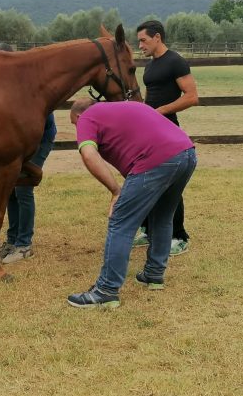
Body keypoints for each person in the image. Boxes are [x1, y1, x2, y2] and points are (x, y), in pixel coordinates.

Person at [66, 98, 197, 308]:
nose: (78, 129)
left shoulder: (87, 117)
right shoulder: (128, 106)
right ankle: (154, 275)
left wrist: (115, 191)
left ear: (79, 116)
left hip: (155, 160)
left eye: (75, 124)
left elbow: (89, 154)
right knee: (162, 217)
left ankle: (106, 291)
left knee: (121, 222)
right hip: (186, 153)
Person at [133, 20, 199, 256]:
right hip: (149, 130)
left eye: (143, 40)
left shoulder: (175, 61)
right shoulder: (151, 66)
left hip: (168, 129)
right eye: (139, 41)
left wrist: (161, 111)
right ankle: (150, 229)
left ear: (157, 37)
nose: (140, 45)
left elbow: (192, 96)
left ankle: (179, 236)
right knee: (148, 180)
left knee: (171, 182)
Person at [0, 43, 57, 264]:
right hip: (18, 141)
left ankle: (24, 243)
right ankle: (12, 239)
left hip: (38, 140)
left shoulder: (27, 82)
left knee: (23, 189)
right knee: (10, 187)